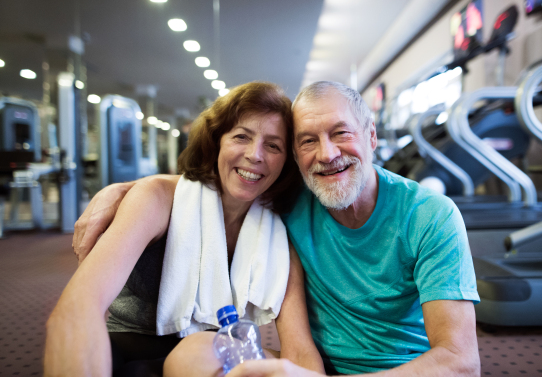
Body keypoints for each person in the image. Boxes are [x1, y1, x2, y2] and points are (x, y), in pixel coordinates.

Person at [72, 81, 481, 376]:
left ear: (371, 136)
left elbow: (460, 361)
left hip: (407, 372)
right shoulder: (292, 201)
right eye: (307, 141)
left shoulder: (431, 215)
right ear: (295, 159)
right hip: (311, 369)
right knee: (194, 358)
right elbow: (217, 184)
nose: (328, 154)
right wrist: (125, 191)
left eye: (341, 133)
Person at [44, 82, 325, 377]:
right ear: (217, 141)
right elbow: (80, 306)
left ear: (286, 162)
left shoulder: (279, 234)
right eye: (241, 136)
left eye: (273, 145)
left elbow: (300, 350)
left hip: (208, 356)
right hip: (130, 352)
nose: (256, 155)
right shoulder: (156, 198)